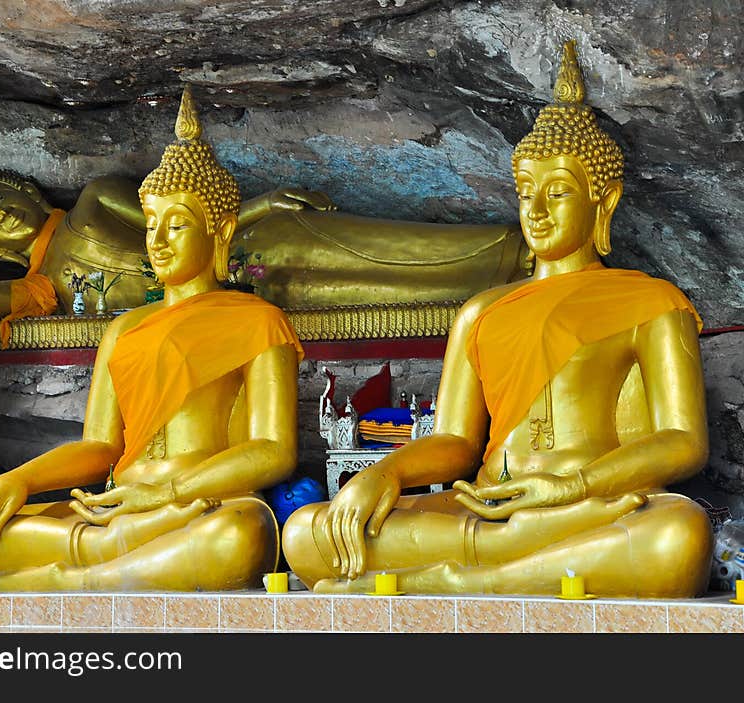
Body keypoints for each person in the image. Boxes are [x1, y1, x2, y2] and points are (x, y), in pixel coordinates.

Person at [281, 41, 714, 599]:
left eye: (558, 192)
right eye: (526, 191)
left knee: (677, 536)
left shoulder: (651, 301)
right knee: (306, 534)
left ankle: (455, 580)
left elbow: (682, 442)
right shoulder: (482, 311)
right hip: (486, 509)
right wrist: (383, 474)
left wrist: (571, 486)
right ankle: (507, 563)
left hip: (587, 504)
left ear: (603, 203)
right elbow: (457, 441)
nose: (535, 209)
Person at [0, 86, 304, 592]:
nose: (158, 241)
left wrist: (169, 490)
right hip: (113, 509)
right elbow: (100, 445)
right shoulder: (125, 328)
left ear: (222, 230)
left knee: (240, 536)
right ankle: (98, 568)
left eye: (178, 225)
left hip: (196, 507)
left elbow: (275, 451)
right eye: (150, 225)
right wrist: (15, 480)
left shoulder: (258, 319)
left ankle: (64, 580)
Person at [0, 157, 334, 347]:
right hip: (245, 300)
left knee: (386, 253)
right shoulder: (42, 287)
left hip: (257, 247)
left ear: (28, 191)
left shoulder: (95, 197)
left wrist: (264, 204)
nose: (2, 213)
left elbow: (181, 220)